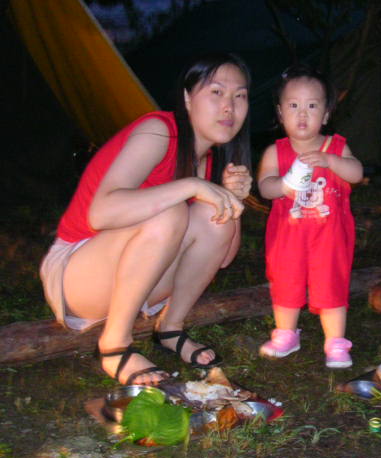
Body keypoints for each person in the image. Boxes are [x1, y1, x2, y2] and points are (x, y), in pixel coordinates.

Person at [39, 53, 253, 386]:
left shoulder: (206, 160)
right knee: (169, 212)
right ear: (187, 98)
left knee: (214, 215)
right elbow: (101, 212)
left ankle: (170, 328)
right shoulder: (158, 132)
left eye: (240, 96)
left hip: (137, 280)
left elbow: (222, 258)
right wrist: (191, 186)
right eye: (216, 92)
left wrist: (231, 198)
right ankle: (114, 345)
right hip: (76, 276)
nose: (229, 106)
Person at [257, 64, 363, 368]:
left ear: (326, 114)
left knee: (331, 285)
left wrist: (331, 161)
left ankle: (336, 341)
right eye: (293, 106)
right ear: (280, 113)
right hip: (287, 239)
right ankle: (286, 334)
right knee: (285, 283)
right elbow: (265, 187)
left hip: (329, 238)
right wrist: (283, 185)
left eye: (312, 106)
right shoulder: (275, 152)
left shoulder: (336, 148)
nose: (302, 114)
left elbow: (356, 173)